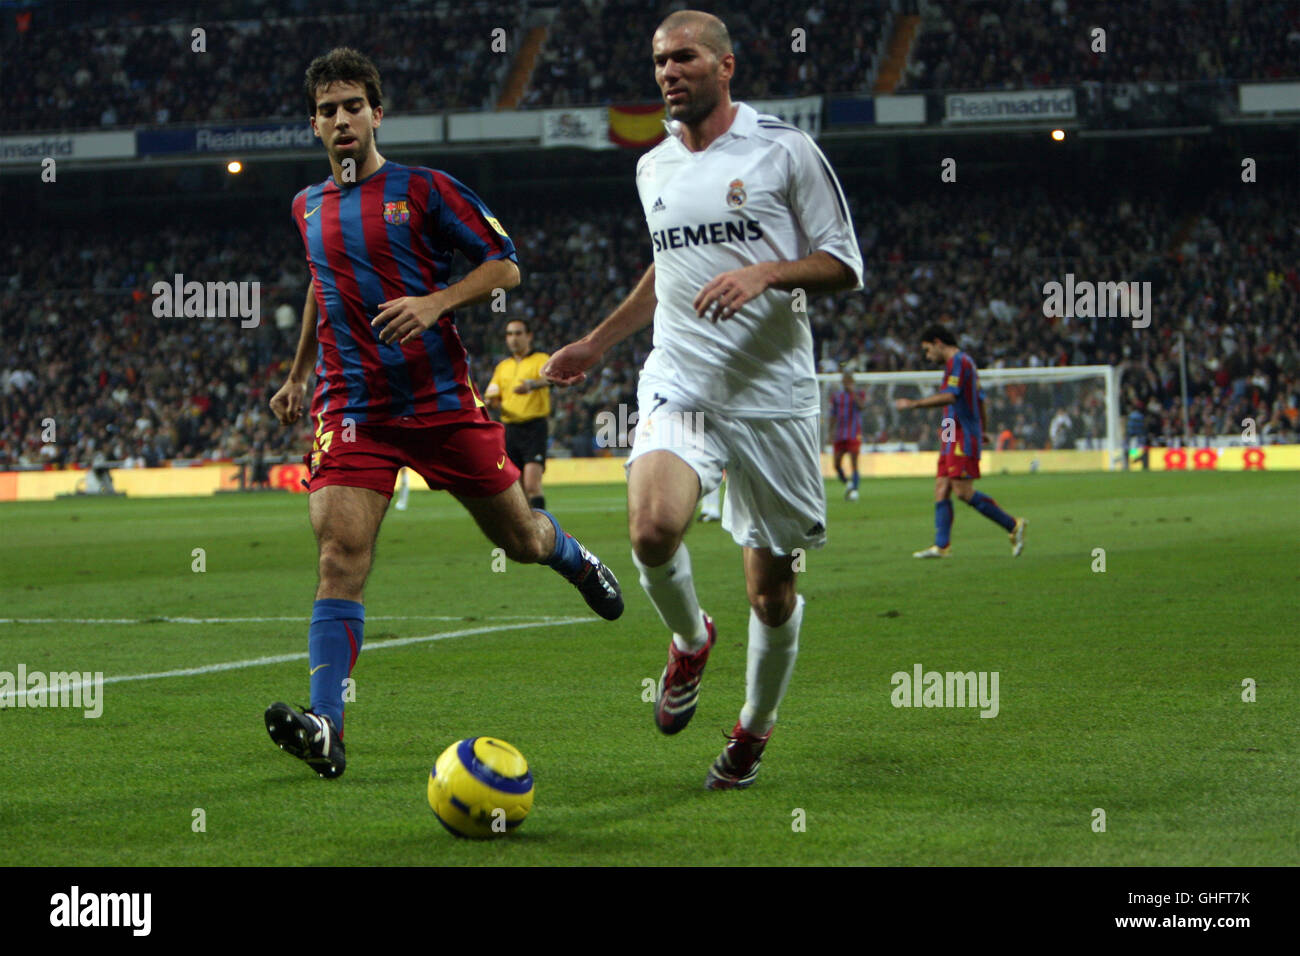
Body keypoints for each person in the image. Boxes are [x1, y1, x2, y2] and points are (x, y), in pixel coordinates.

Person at [264, 47, 623, 780]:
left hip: (440, 403)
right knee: (339, 554)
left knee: (521, 537)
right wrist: (299, 373)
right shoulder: (306, 207)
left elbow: (505, 263)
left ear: (376, 113)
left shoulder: (424, 189)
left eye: (353, 106)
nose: (341, 120)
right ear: (314, 124)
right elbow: (319, 283)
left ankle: (573, 557)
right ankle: (327, 725)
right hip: (353, 406)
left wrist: (436, 302)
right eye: (328, 110)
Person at [544, 11, 863, 789]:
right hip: (680, 379)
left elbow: (844, 263)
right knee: (652, 532)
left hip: (772, 398)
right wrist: (598, 341)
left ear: (726, 66)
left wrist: (765, 273)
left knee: (772, 588)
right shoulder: (652, 167)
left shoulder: (783, 150)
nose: (667, 72)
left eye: (683, 57)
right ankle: (690, 639)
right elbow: (666, 270)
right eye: (658, 61)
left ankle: (754, 728)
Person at [894, 325, 1026, 558]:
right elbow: (980, 399)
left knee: (963, 492)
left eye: (927, 350)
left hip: (961, 435)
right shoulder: (958, 365)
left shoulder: (960, 362)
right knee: (941, 487)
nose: (927, 356)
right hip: (950, 433)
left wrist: (914, 404)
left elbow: (950, 396)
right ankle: (941, 546)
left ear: (938, 342)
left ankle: (1013, 524)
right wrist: (982, 430)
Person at [485, 318, 551, 509]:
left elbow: (552, 379)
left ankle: (543, 528)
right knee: (517, 489)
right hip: (510, 430)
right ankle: (527, 533)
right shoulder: (502, 367)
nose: (513, 339)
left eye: (518, 333)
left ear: (529, 336)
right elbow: (493, 395)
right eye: (509, 334)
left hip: (534, 427)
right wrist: (491, 402)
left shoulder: (541, 359)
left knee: (532, 484)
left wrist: (532, 384)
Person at [829, 370, 866, 500]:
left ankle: (855, 490)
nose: (847, 383)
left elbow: (862, 406)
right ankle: (848, 484)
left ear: (852, 382)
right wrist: (830, 432)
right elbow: (833, 415)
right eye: (845, 381)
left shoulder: (858, 394)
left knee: (854, 462)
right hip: (840, 434)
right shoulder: (836, 396)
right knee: (836, 464)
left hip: (854, 433)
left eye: (849, 381)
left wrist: (853, 393)